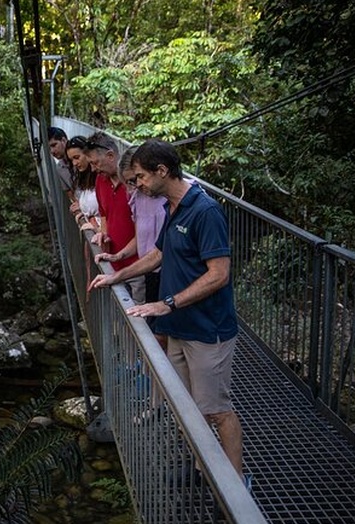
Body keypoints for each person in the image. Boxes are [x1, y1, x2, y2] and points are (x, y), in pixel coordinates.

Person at [87, 139, 248, 488]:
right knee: (188, 407)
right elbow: (157, 253)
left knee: (217, 410)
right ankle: (202, 468)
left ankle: (236, 486)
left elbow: (219, 273)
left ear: (162, 171)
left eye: (142, 177)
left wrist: (167, 303)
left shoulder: (204, 211)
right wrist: (117, 275)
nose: (137, 185)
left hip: (208, 330)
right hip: (179, 327)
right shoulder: (172, 206)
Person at [95, 146, 167, 306]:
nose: (136, 186)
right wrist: (118, 255)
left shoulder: (172, 200)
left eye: (138, 178)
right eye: (130, 182)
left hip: (169, 273)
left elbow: (160, 252)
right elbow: (140, 239)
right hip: (150, 272)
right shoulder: (138, 198)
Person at [83, 132, 142, 300]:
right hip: (113, 265)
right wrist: (103, 233)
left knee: (137, 317)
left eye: (95, 163)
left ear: (110, 156)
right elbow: (104, 213)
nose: (93, 169)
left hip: (138, 266)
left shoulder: (136, 185)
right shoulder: (100, 180)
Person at [65, 136, 99, 232]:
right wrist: (84, 211)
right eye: (71, 160)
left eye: (77, 157)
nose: (74, 163)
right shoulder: (83, 179)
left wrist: (97, 227)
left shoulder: (102, 177)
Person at [47, 127, 73, 193]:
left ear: (64, 141)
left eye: (54, 145)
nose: (52, 151)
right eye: (49, 148)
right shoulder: (59, 168)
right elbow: (69, 192)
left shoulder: (82, 157)